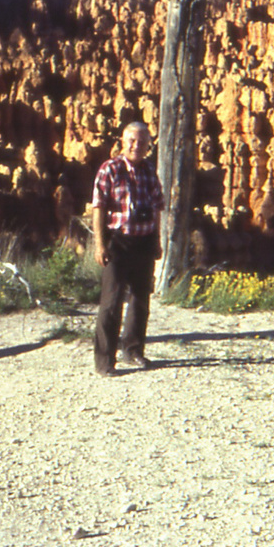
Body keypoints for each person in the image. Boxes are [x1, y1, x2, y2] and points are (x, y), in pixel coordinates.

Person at [91, 120, 163, 375]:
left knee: (140, 299)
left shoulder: (149, 171)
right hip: (118, 242)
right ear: (122, 142)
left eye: (142, 142)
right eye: (132, 140)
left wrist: (157, 240)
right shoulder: (109, 169)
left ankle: (133, 350)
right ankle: (104, 361)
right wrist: (100, 244)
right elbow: (98, 207)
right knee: (111, 302)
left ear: (148, 146)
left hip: (143, 241)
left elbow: (157, 208)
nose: (136, 146)